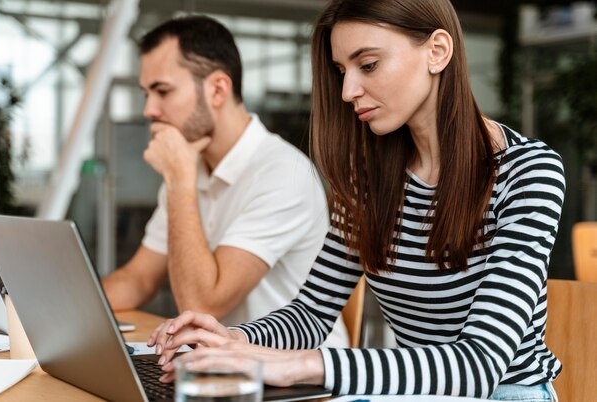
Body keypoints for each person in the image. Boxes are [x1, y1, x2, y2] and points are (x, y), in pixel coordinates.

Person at [148, 1, 566, 400]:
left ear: (437, 51)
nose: (348, 90)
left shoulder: (528, 171)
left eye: (368, 65)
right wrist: (235, 339)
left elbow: (478, 366)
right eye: (341, 70)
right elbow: (311, 313)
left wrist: (300, 365)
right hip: (411, 396)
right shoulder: (370, 179)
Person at [101, 15, 348, 346]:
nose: (149, 109)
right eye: (146, 93)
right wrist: (56, 315)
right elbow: (139, 278)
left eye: (162, 91)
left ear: (218, 89)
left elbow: (204, 306)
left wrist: (179, 179)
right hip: (223, 366)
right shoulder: (191, 167)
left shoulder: (283, 172)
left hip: (295, 379)